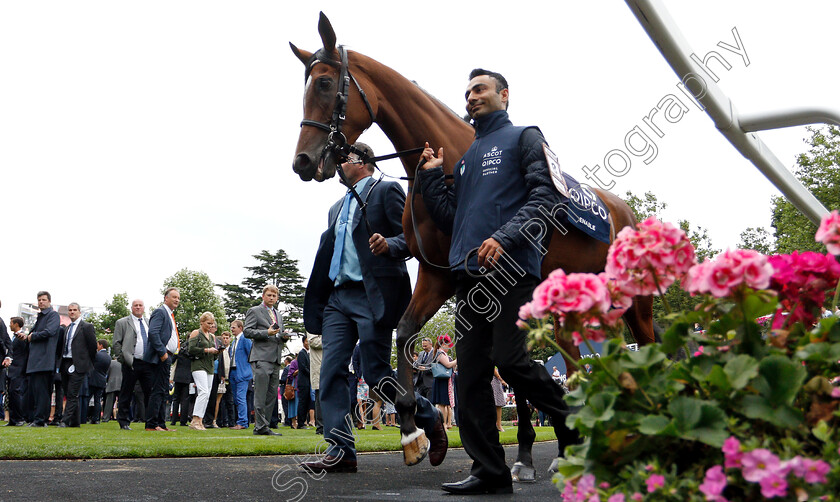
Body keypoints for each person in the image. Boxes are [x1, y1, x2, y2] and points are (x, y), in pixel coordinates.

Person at [417, 68, 580, 495]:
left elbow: (549, 196)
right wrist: (434, 177)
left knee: (510, 362)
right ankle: (489, 469)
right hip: (469, 279)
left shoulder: (526, 136)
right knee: (469, 377)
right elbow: (455, 220)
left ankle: (575, 424)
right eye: (467, 92)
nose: (471, 97)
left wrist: (505, 238)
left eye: (480, 89)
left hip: (513, 270)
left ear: (504, 95)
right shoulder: (468, 158)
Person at [300, 143, 446, 474]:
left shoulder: (386, 191)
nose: (338, 165)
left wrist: (389, 244)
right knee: (331, 371)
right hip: (338, 300)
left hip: (372, 295)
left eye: (344, 159)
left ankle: (429, 415)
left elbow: (409, 239)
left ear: (365, 163)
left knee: (377, 375)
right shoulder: (336, 208)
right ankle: (341, 450)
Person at [244, 284, 289, 436]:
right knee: (260, 394)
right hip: (261, 357)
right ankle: (259, 426)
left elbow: (278, 333)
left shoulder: (278, 314)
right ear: (263, 296)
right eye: (269, 295)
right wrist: (266, 332)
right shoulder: (255, 311)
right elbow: (247, 331)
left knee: (271, 396)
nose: (271, 298)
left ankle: (265, 426)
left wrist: (283, 336)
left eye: (274, 295)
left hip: (276, 358)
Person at [113, 299, 153, 431]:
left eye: (140, 305)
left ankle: (151, 421)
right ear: (131, 308)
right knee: (126, 392)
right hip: (131, 362)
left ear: (144, 308)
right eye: (135, 305)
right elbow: (116, 343)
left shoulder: (149, 322)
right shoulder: (122, 322)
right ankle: (124, 422)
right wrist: (122, 358)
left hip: (147, 362)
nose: (138, 307)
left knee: (150, 393)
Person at [144, 287, 180, 432]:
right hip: (161, 357)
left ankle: (161, 424)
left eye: (178, 298)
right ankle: (152, 424)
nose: (177, 300)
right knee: (158, 391)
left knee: (163, 391)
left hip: (168, 356)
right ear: (166, 298)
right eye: (174, 297)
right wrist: (162, 352)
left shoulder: (169, 315)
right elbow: (153, 332)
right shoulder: (160, 312)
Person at [57, 303, 97, 427]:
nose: (72, 312)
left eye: (74, 310)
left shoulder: (86, 326)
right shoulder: (67, 328)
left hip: (78, 364)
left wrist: (87, 363)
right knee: (68, 392)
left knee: (72, 393)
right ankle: (75, 422)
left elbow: (92, 346)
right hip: (65, 362)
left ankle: (65, 420)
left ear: (79, 312)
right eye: (70, 310)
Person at [25, 291, 61, 427]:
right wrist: (27, 336)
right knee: (35, 392)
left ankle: (40, 420)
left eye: (44, 300)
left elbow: (50, 332)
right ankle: (36, 418)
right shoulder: (40, 317)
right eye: (39, 300)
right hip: (36, 361)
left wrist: (32, 336)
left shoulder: (53, 315)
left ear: (49, 301)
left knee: (42, 393)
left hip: (44, 361)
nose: (41, 302)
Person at [187, 312, 219, 431]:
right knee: (203, 391)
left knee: (207, 394)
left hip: (209, 366)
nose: (210, 326)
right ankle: (195, 419)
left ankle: (200, 420)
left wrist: (216, 352)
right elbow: (191, 349)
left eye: (212, 323)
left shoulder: (212, 337)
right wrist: (206, 350)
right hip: (198, 365)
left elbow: (213, 354)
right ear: (202, 322)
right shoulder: (196, 333)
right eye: (208, 323)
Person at [227, 320, 253, 430]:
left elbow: (251, 354)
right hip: (233, 372)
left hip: (242, 372)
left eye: (233, 327)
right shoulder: (233, 342)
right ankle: (240, 420)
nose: (231, 329)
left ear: (240, 328)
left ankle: (242, 422)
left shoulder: (245, 339)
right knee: (237, 398)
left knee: (241, 397)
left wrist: (248, 369)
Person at [3, 317, 29, 426]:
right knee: (11, 394)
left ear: (16, 324)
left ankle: (19, 418)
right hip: (12, 369)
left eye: (11, 323)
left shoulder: (22, 338)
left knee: (15, 392)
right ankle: (13, 419)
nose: (9, 325)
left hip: (18, 369)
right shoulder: (13, 338)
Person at [430, 335, 457, 431]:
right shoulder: (440, 353)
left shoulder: (441, 353)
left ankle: (444, 424)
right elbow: (448, 365)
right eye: (448, 345)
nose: (449, 347)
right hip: (442, 380)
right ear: (443, 344)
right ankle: (443, 424)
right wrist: (457, 360)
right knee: (442, 404)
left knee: (444, 404)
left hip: (444, 380)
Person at [169, 335, 194, 426]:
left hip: (178, 375)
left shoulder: (180, 349)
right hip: (187, 376)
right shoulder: (192, 350)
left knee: (176, 399)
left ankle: (173, 420)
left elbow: (173, 360)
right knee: (185, 399)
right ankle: (183, 421)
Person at [210, 331, 232, 428]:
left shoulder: (227, 350)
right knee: (216, 400)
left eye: (227, 338)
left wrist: (224, 376)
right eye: (223, 338)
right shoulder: (219, 349)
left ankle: (222, 420)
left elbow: (225, 365)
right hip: (216, 375)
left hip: (223, 376)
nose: (225, 339)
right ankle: (215, 420)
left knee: (225, 401)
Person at [87, 339, 111, 424]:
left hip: (93, 379)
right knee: (98, 400)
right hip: (102, 380)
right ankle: (96, 418)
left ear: (101, 345)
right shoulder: (108, 357)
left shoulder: (97, 355)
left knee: (87, 398)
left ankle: (84, 416)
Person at [308, 334, 324, 434]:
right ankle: (321, 427)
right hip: (319, 366)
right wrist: (332, 338)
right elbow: (313, 341)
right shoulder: (312, 323)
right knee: (320, 397)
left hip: (330, 365)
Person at [296, 335, 311, 429]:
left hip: (307, 381)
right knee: (302, 402)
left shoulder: (307, 354)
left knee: (306, 402)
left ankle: (303, 421)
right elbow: (303, 368)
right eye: (306, 341)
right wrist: (311, 374)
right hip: (303, 382)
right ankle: (300, 423)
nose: (308, 343)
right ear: (303, 342)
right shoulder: (302, 353)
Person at [490, 368, 507, 433]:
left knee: (498, 404)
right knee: (497, 404)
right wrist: (501, 380)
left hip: (495, 380)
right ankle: (498, 425)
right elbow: (493, 368)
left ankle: (498, 425)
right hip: (494, 381)